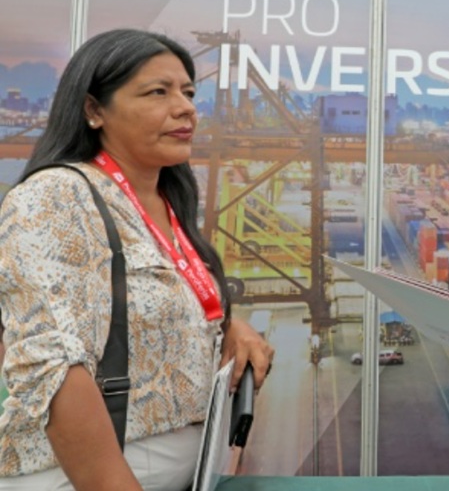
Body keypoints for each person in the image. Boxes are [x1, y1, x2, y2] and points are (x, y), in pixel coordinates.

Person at [0, 29, 276, 490]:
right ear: (93, 110)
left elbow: (135, 311)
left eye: (189, 92)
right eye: (158, 92)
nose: (185, 107)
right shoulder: (56, 197)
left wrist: (228, 326)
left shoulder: (165, 205)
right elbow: (53, 367)